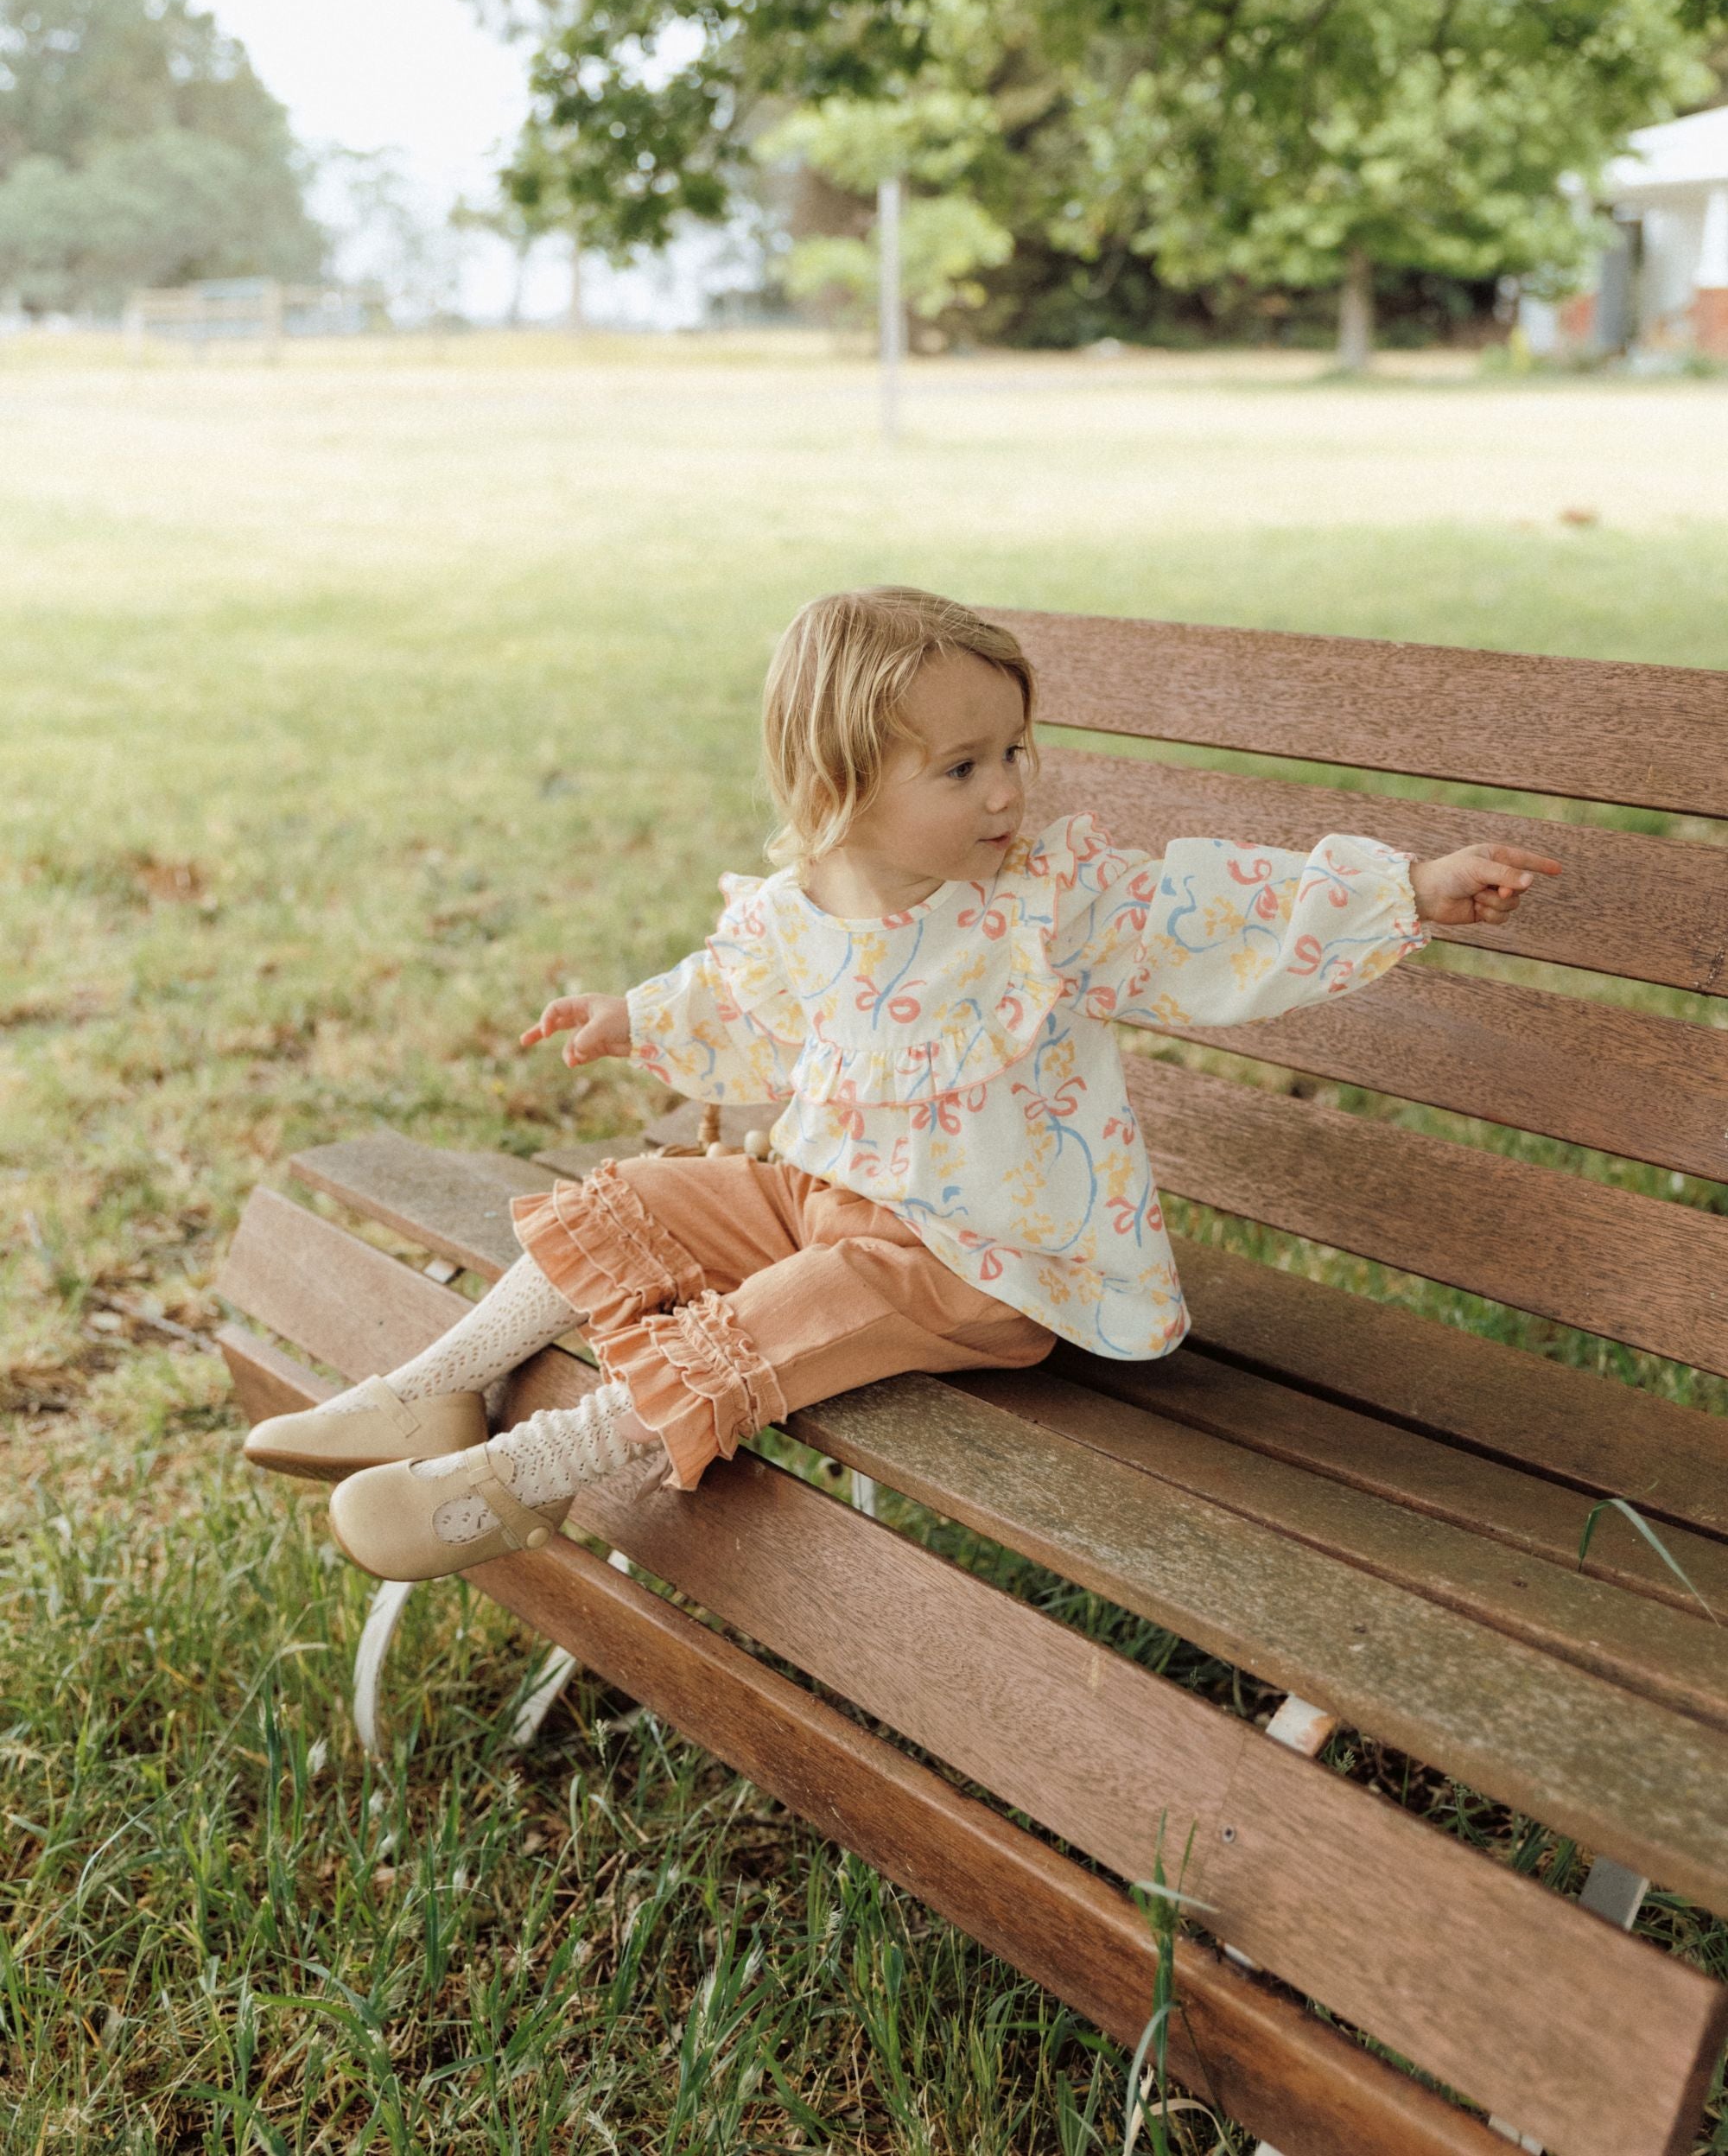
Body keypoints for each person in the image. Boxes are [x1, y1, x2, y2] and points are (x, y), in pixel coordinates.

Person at [243, 588, 1560, 1581]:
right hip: (824, 1191)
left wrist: (1409, 890)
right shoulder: (791, 915)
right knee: (645, 1194)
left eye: (1015, 753)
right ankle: (445, 1374)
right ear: (838, 787)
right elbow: (735, 1007)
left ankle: (527, 1477)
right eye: (963, 768)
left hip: (986, 1262)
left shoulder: (1050, 903)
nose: (1009, 791)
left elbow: (1210, 913)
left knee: (815, 1300)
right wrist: (629, 1018)